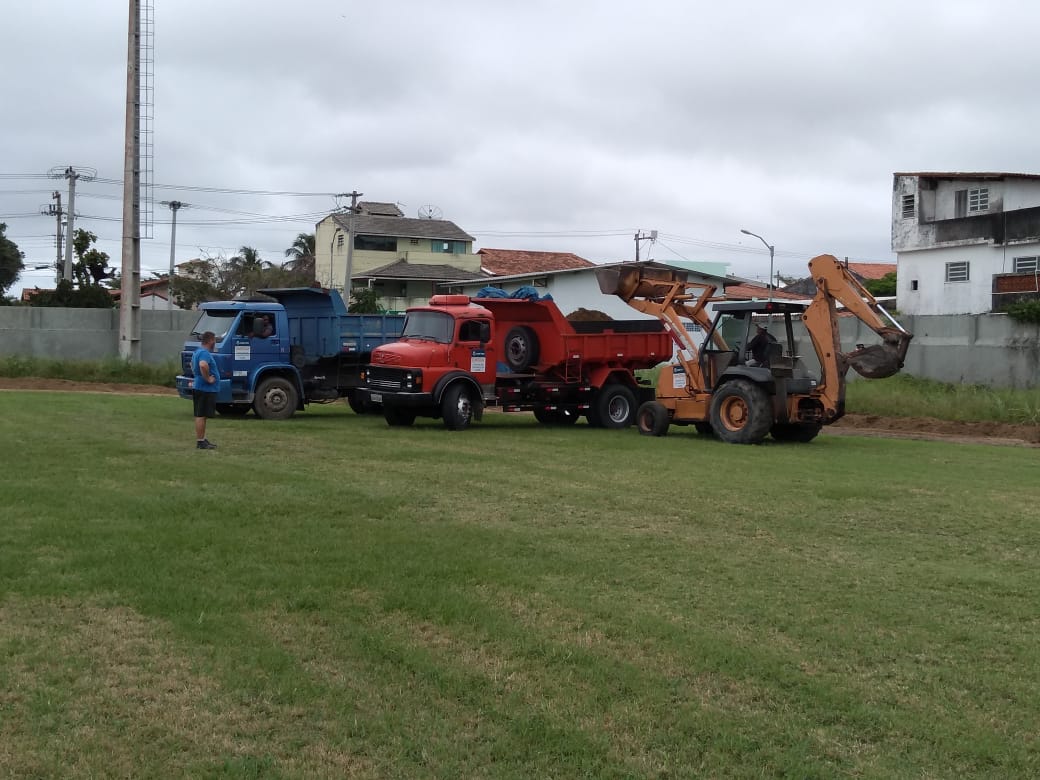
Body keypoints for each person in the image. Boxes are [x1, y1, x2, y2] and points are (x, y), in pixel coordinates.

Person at [191, 331, 220, 449]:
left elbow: (192, 366)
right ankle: (200, 442)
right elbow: (203, 365)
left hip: (199, 387)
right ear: (211, 340)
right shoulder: (204, 353)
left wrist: (198, 376)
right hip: (204, 389)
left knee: (201, 415)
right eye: (215, 341)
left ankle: (202, 439)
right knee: (201, 415)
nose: (215, 343)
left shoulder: (197, 352)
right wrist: (208, 378)